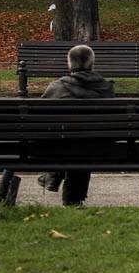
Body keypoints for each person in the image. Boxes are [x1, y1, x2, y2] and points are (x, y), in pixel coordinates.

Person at [37, 44, 115, 206]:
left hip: (60, 146)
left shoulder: (56, 88)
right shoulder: (106, 90)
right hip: (98, 147)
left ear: (69, 64)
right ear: (92, 64)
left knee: (71, 142)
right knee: (83, 142)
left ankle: (55, 176)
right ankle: (73, 200)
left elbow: (39, 119)